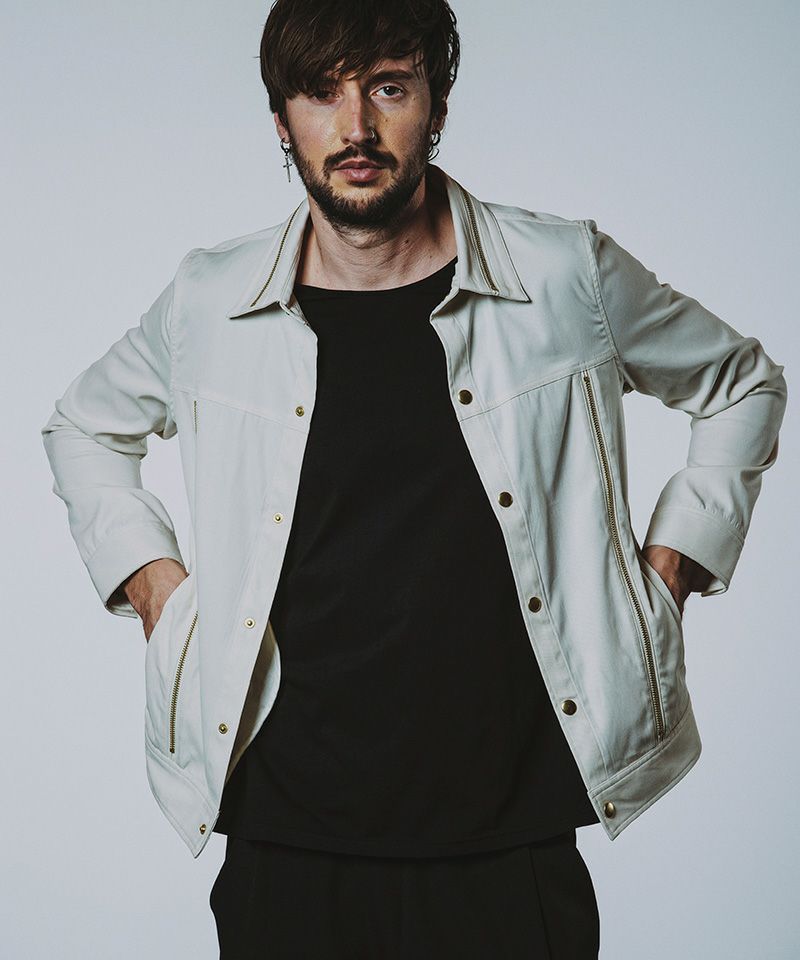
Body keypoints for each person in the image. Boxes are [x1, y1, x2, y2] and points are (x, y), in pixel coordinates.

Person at [40, 0, 787, 957]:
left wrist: (675, 567)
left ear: (436, 105)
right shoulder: (209, 301)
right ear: (281, 121)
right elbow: (84, 427)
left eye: (388, 87)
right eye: (322, 93)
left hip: (509, 834)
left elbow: (741, 384)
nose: (356, 127)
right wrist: (153, 584)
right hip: (285, 831)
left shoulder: (564, 276)